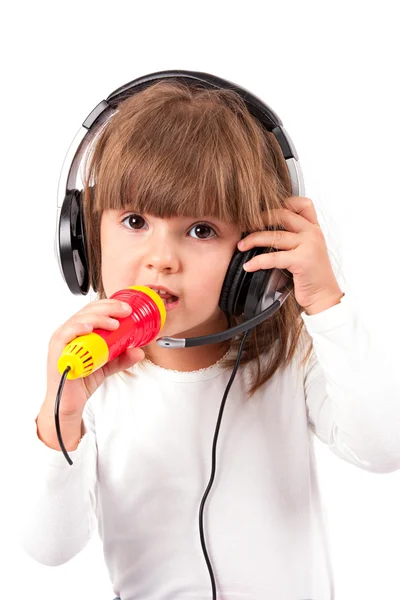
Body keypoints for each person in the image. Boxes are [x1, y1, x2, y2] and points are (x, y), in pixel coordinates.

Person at [19, 74, 400, 600]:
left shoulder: (290, 356)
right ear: (84, 234)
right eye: (134, 220)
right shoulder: (93, 378)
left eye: (201, 231)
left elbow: (384, 447)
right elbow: (49, 546)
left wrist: (325, 303)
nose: (160, 258)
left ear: (252, 255)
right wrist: (59, 418)